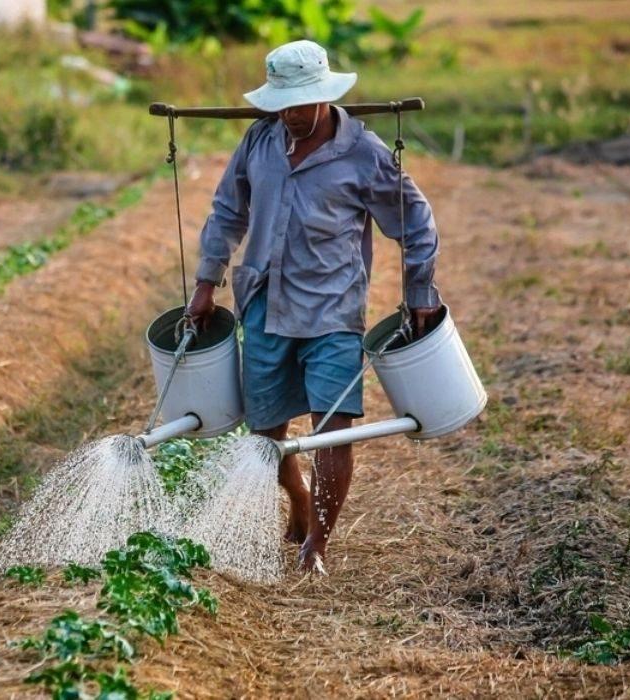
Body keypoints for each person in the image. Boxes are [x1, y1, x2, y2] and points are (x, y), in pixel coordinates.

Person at [185, 40, 442, 575]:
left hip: (333, 310)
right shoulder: (259, 141)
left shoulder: (364, 154)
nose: (291, 115)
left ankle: (316, 547)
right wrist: (206, 282)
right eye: (282, 104)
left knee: (333, 427)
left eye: (300, 105)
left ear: (325, 97)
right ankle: (298, 499)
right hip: (264, 303)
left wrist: (419, 291)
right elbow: (227, 212)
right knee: (266, 434)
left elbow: (416, 223)